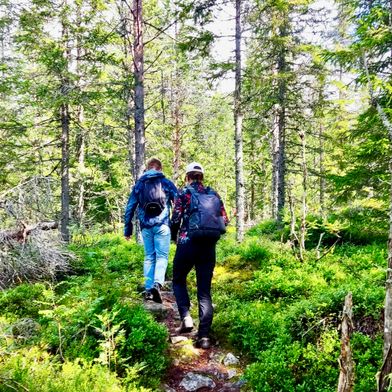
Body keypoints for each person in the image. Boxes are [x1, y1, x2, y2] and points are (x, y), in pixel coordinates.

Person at [170, 162, 229, 349]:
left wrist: (174, 237)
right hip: (208, 246)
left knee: (178, 279)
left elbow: (176, 219)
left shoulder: (184, 193)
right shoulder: (213, 194)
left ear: (188, 176)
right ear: (202, 176)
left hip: (187, 243)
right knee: (204, 291)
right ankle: (203, 337)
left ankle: (186, 317)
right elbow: (225, 220)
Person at [124, 158, 177, 303]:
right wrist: (177, 226)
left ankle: (148, 290)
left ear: (147, 168)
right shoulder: (166, 182)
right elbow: (178, 203)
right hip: (163, 225)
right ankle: (157, 284)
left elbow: (130, 207)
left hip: (146, 226)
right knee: (162, 256)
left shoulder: (140, 184)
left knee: (149, 256)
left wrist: (127, 229)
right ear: (160, 169)